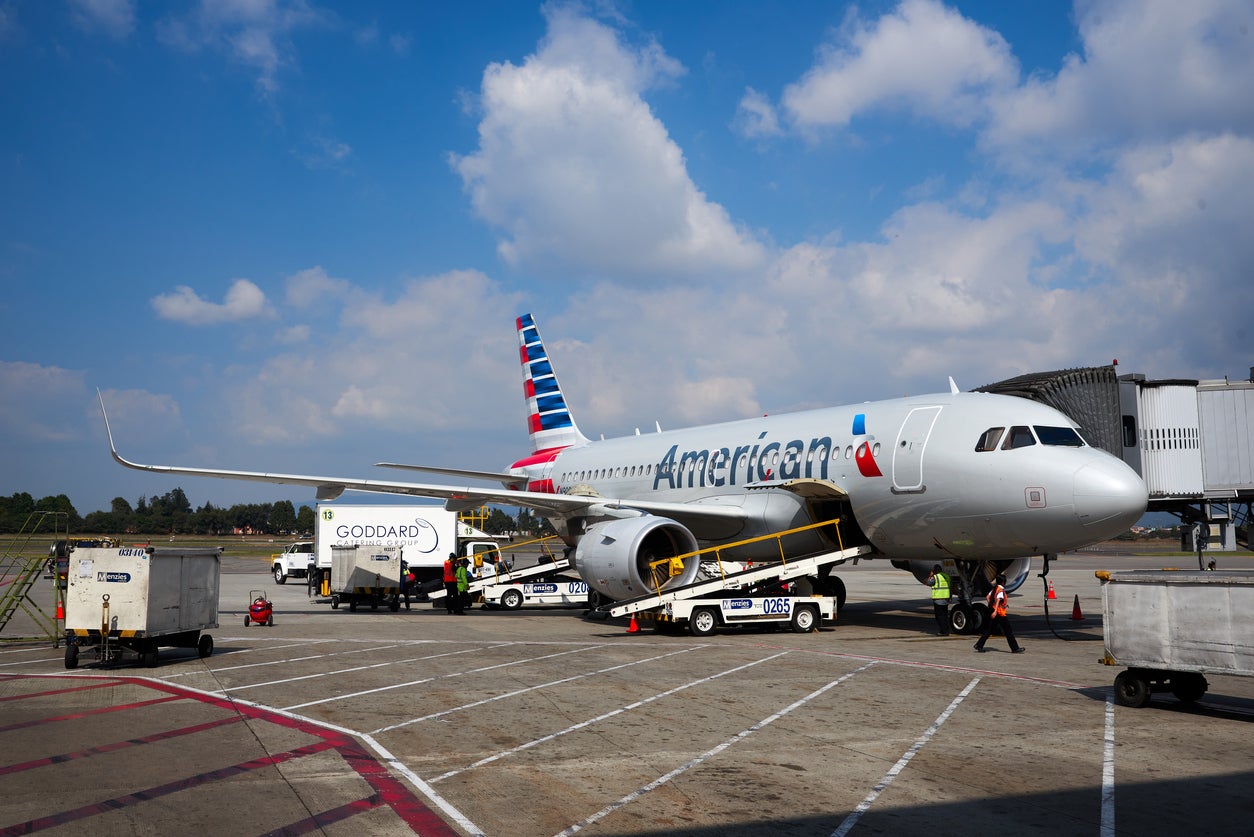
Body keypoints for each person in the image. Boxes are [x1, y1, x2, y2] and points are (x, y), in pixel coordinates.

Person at [974, 574, 1023, 653]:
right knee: (1008, 631)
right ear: (1003, 582)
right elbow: (998, 600)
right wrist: (996, 610)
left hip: (995, 612)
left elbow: (987, 597)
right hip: (1000, 614)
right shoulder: (1000, 590)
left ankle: (979, 645)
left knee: (989, 630)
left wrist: (991, 606)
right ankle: (1015, 648)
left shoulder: (995, 589)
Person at [927, 564, 951, 636]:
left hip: (938, 599)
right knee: (945, 616)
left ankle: (944, 631)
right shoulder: (947, 576)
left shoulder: (935, 577)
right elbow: (950, 586)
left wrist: (930, 575)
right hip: (946, 599)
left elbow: (928, 582)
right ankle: (946, 630)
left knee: (939, 617)